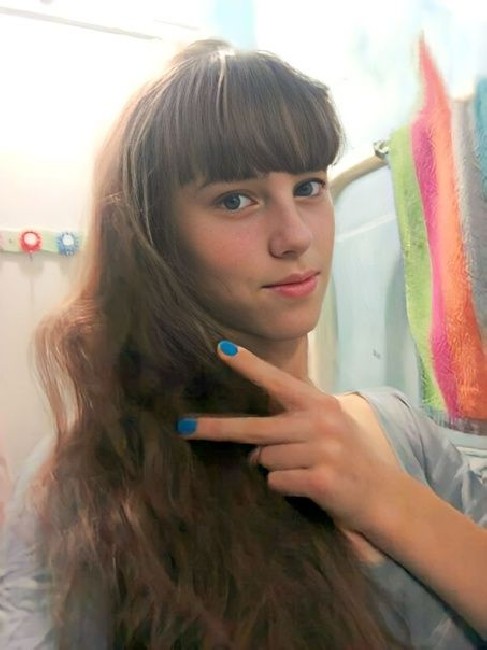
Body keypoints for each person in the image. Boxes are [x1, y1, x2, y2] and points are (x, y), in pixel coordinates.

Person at [0, 38, 486, 649]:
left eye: (308, 186)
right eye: (236, 200)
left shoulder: (403, 430)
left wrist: (382, 495)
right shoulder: (88, 478)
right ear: (155, 238)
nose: (295, 236)